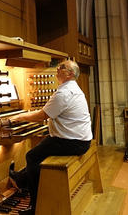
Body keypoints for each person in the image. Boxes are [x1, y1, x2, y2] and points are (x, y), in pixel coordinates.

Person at [9, 60, 93, 215]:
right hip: (78, 139)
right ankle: (21, 179)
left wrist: (18, 117)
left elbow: (42, 115)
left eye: (62, 67)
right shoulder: (72, 89)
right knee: (42, 147)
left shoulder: (64, 93)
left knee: (32, 156)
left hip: (72, 142)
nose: (57, 69)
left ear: (70, 74)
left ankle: (35, 207)